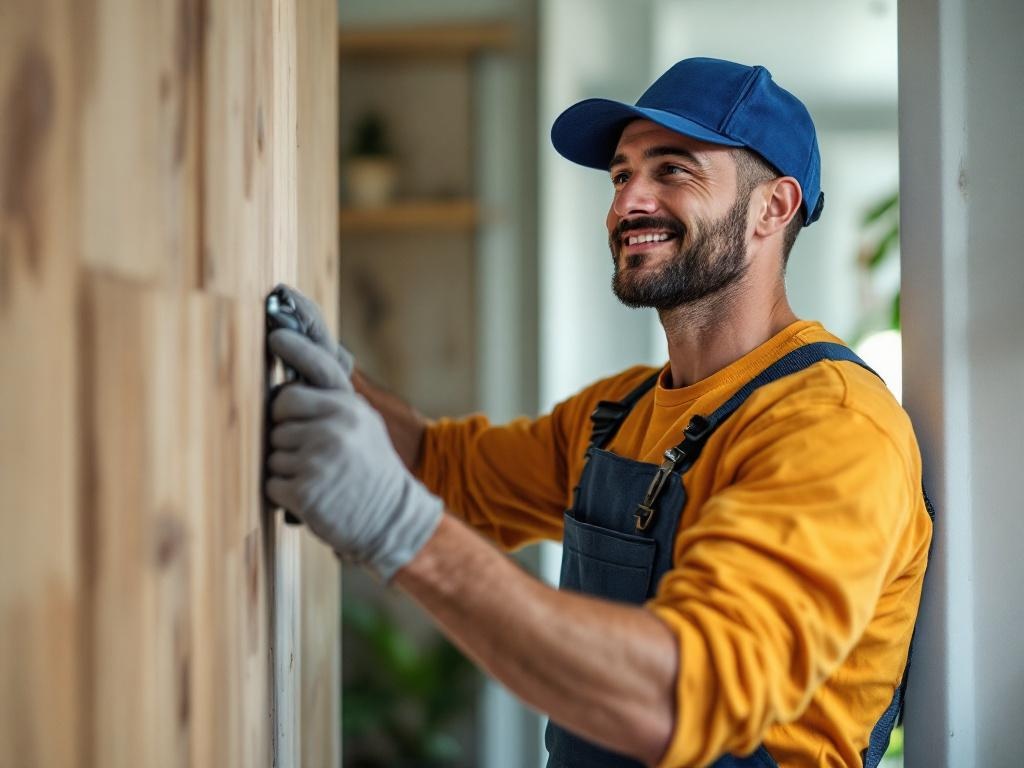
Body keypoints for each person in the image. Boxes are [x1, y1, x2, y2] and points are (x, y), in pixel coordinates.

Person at [265, 57, 933, 767]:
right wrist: (342, 383)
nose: (626, 204)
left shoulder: (832, 428)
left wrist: (399, 530)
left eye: (672, 169)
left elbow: (680, 695)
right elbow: (444, 469)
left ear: (775, 206)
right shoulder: (619, 411)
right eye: (621, 175)